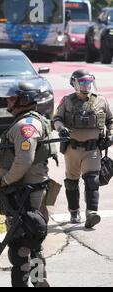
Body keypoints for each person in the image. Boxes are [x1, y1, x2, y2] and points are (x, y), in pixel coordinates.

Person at [0, 82, 56, 287]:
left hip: (24, 194)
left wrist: (5, 181)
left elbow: (24, 161)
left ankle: (32, 282)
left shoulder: (25, 126)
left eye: (12, 98)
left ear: (24, 100)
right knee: (33, 242)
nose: (8, 101)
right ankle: (40, 282)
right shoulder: (33, 121)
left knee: (20, 247)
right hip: (30, 191)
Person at [53, 69, 113, 228]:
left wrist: (111, 134)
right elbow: (56, 119)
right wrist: (60, 128)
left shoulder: (101, 101)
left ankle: (91, 213)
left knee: (92, 180)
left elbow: (110, 120)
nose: (86, 86)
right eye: (83, 82)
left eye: (88, 82)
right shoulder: (66, 101)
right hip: (72, 149)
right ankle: (74, 211)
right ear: (74, 83)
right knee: (72, 182)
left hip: (92, 149)